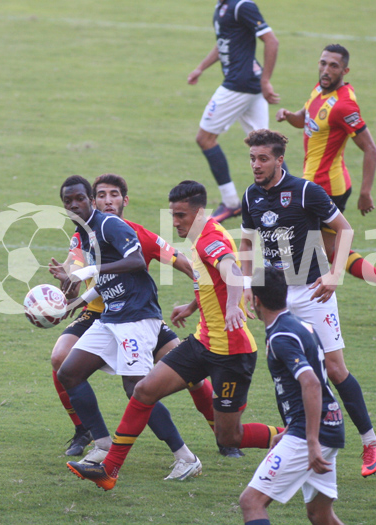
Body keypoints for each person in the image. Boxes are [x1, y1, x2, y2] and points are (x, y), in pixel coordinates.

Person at [67, 180, 284, 491]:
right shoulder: (198, 237)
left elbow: (231, 271)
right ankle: (109, 469)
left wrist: (235, 306)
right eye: (173, 214)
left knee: (229, 436)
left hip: (232, 352)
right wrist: (193, 305)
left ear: (198, 212)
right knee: (143, 391)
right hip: (202, 343)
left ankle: (295, 435)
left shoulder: (209, 237)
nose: (175, 221)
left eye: (180, 215)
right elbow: (213, 281)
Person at [49, 174, 242, 460]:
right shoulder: (83, 236)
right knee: (62, 362)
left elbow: (186, 265)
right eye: (101, 194)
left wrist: (197, 302)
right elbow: (71, 271)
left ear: (124, 200)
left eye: (113, 194)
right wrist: (63, 299)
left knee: (186, 378)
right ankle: (86, 432)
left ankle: (223, 437)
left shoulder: (136, 233)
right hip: (98, 314)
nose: (107, 200)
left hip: (138, 314)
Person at [239, 130, 376, 477]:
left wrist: (334, 275)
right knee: (283, 365)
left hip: (314, 291)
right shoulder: (250, 196)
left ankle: (370, 442)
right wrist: (247, 285)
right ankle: (297, 435)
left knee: (334, 368)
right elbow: (246, 242)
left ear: (278, 160)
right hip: (276, 297)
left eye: (262, 159)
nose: (256, 165)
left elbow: (344, 229)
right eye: (252, 159)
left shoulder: (306, 191)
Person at [276, 44, 376, 314]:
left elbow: (370, 148)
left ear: (344, 70)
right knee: (328, 251)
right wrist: (290, 116)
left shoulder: (344, 106)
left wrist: (366, 192)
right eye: (323, 63)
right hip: (312, 183)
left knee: (309, 249)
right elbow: (306, 119)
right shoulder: (320, 88)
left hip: (326, 188)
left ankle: (302, 308)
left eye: (333, 66)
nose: (326, 70)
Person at [240, 267, 345, 525]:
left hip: (312, 431)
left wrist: (309, 440)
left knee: (251, 502)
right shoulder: (301, 326)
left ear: (256, 300)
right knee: (320, 515)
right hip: (330, 424)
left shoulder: (281, 336)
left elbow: (311, 384)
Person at [189, 0, 280, 223]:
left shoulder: (242, 4)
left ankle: (231, 202)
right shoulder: (222, 5)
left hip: (239, 85)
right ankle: (285, 202)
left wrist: (266, 80)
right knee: (266, 145)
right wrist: (201, 67)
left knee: (205, 138)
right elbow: (224, 44)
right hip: (249, 83)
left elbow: (271, 40)